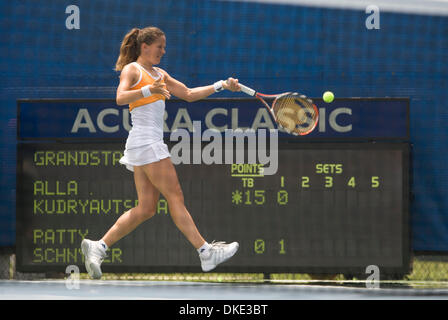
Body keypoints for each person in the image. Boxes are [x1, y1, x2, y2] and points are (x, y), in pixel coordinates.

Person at [81, 26, 241, 279]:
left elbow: (188, 94)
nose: (163, 51)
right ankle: (205, 251)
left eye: (164, 47)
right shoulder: (132, 69)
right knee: (175, 195)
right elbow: (120, 98)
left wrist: (221, 85)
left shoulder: (160, 74)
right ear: (145, 47)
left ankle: (98, 246)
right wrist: (149, 90)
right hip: (146, 141)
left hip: (143, 143)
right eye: (160, 47)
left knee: (146, 208)